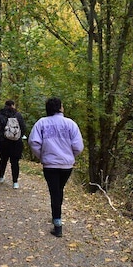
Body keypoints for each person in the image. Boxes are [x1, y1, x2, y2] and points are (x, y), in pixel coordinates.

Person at [28, 97, 84, 237]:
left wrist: (42, 156)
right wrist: (70, 156)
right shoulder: (70, 124)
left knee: (55, 192)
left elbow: (33, 142)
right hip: (66, 165)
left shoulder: (42, 123)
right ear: (60, 107)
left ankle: (58, 224)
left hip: (50, 165)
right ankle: (56, 216)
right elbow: (78, 146)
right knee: (59, 190)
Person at [0, 100, 26, 189]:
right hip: (16, 143)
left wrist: (0, 139)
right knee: (15, 162)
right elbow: (23, 127)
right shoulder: (18, 115)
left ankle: (1, 177)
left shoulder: (0, 115)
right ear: (13, 105)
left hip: (3, 143)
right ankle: (15, 182)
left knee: (3, 160)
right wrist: (19, 137)